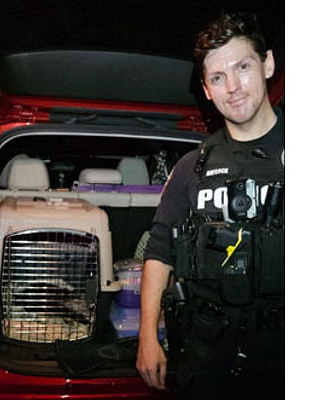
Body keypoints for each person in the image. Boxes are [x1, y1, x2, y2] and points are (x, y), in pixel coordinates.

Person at [136, 12, 284, 399]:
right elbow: (159, 249)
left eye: (243, 67)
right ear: (206, 90)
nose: (232, 87)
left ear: (268, 64)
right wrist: (147, 337)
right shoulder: (192, 167)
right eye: (217, 77)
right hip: (207, 359)